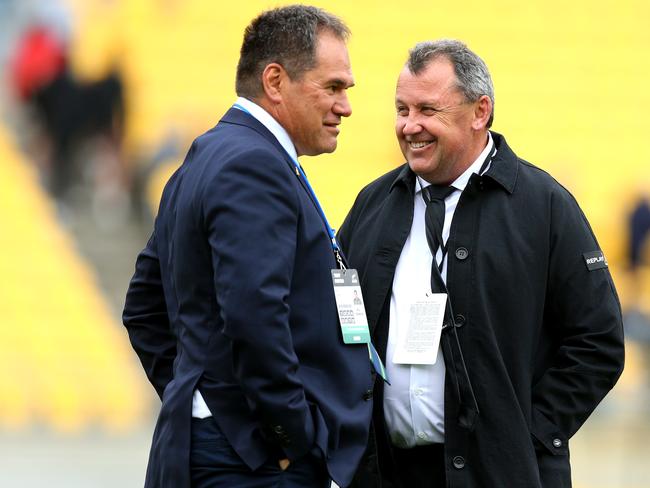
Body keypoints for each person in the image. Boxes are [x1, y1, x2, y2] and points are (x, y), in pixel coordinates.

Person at [338, 39, 625, 488]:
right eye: (402, 109)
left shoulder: (545, 205)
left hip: (503, 475)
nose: (410, 126)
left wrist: (528, 435)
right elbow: (338, 328)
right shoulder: (371, 204)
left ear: (480, 112)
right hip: (387, 474)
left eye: (428, 111)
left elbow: (598, 342)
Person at [123, 6, 375, 488]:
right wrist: (287, 436)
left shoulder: (207, 155)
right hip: (255, 463)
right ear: (275, 81)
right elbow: (254, 314)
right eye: (333, 87)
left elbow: (142, 307)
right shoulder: (253, 164)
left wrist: (197, 398)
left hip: (228, 450)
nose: (345, 106)